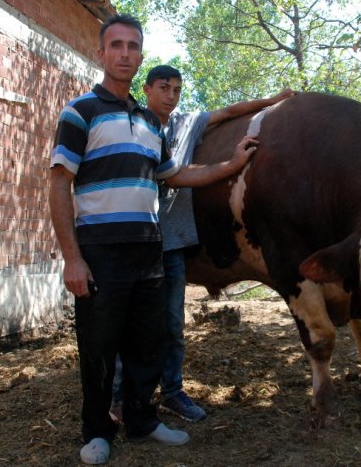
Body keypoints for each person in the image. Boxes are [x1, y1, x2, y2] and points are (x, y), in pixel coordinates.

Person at [49, 14, 259, 465]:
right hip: (100, 251)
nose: (125, 53)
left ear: (140, 55)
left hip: (149, 249)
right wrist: (72, 258)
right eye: (116, 45)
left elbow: (176, 175)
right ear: (101, 53)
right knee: (100, 346)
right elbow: (58, 184)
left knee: (148, 342)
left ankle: (142, 419)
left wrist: (231, 165)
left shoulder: (150, 122)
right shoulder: (80, 111)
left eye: (133, 46)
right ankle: (97, 430)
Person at [110, 65, 295, 423]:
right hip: (132, 240)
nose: (171, 95)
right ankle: (119, 395)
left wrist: (271, 101)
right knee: (129, 324)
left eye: (177, 89)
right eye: (164, 87)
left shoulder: (186, 123)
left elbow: (228, 111)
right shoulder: (128, 124)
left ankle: (173, 392)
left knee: (172, 326)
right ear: (146, 89)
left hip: (172, 244)